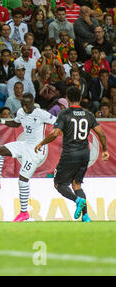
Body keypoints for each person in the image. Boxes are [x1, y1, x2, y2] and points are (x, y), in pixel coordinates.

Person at [35, 86, 109, 222]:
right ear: (80, 98)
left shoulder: (64, 114)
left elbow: (55, 133)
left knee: (59, 184)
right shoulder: (88, 114)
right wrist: (104, 150)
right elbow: (101, 134)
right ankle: (85, 216)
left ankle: (77, 200)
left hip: (70, 154)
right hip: (84, 154)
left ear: (67, 99)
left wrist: (41, 143)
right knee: (77, 185)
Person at [0, 92, 57, 222]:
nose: (26, 108)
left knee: (22, 179)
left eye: (28, 105)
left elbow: (57, 122)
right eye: (24, 105)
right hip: (25, 144)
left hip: (36, 150)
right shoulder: (21, 112)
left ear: (32, 103)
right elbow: (16, 124)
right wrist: (1, 120)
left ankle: (24, 213)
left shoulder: (41, 113)